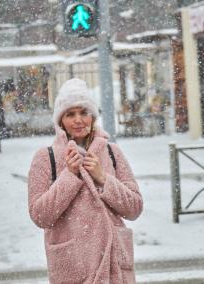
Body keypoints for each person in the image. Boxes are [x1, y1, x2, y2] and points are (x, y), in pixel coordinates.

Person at [28, 78, 143, 283]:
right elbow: (40, 215)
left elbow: (134, 208)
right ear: (60, 121)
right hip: (73, 265)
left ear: (93, 116)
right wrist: (69, 176)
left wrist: (103, 179)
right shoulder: (46, 157)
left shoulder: (112, 152)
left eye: (84, 112)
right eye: (70, 114)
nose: (78, 120)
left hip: (112, 264)